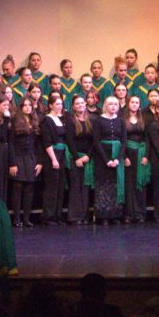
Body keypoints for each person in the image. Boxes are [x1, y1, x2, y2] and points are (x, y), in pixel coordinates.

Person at [7, 96, 42, 228]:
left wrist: (39, 161)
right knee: (18, 187)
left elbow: (38, 144)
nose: (28, 107)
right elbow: (11, 143)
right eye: (25, 105)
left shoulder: (34, 120)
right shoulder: (15, 120)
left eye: (29, 105)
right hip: (18, 156)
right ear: (21, 107)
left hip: (31, 157)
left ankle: (26, 218)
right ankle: (16, 218)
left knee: (29, 188)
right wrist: (12, 163)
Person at [95, 95, 129, 225]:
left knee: (116, 185)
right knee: (104, 186)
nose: (113, 106)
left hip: (117, 156)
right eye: (110, 104)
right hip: (103, 156)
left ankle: (115, 214)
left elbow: (124, 141)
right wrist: (106, 160)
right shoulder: (99, 120)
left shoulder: (121, 121)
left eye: (115, 104)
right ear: (105, 106)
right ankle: (104, 216)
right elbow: (96, 141)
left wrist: (118, 159)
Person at [64, 94, 94, 225]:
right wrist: (77, 158)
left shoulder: (91, 120)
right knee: (76, 186)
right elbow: (69, 141)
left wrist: (88, 156)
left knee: (86, 186)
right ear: (73, 107)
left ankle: (84, 215)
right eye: (77, 104)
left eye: (82, 103)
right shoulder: (70, 121)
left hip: (88, 157)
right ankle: (74, 216)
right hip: (75, 157)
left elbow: (94, 141)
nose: (80, 105)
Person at [40, 93, 68, 226]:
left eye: (61, 104)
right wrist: (53, 159)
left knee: (60, 185)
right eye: (57, 104)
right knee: (52, 185)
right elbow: (47, 141)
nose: (59, 106)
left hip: (62, 153)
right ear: (50, 105)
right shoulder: (47, 120)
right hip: (53, 154)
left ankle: (57, 215)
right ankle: (48, 216)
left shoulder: (61, 119)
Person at [124, 95, 151, 224]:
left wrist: (146, 155)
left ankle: (140, 213)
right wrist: (124, 157)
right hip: (128, 154)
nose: (134, 104)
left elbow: (147, 138)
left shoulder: (143, 119)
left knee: (140, 184)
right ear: (128, 104)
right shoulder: (122, 119)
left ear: (139, 105)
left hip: (141, 154)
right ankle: (129, 214)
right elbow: (121, 139)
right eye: (132, 102)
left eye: (137, 102)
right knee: (129, 185)